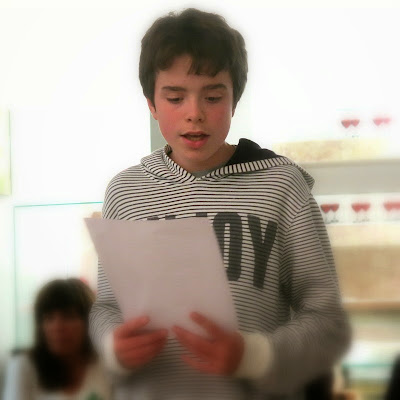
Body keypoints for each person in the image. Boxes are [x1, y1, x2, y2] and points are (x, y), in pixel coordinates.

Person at [89, 8, 351, 399]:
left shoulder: (281, 186)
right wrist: (114, 347)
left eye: (213, 97)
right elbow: (107, 307)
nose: (194, 114)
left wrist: (253, 356)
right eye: (175, 97)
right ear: (151, 104)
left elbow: (327, 321)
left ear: (234, 100)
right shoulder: (125, 192)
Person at [3, 278, 111, 400]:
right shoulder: (24, 365)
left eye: (69, 316)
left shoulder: (105, 362)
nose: (57, 327)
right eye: (49, 317)